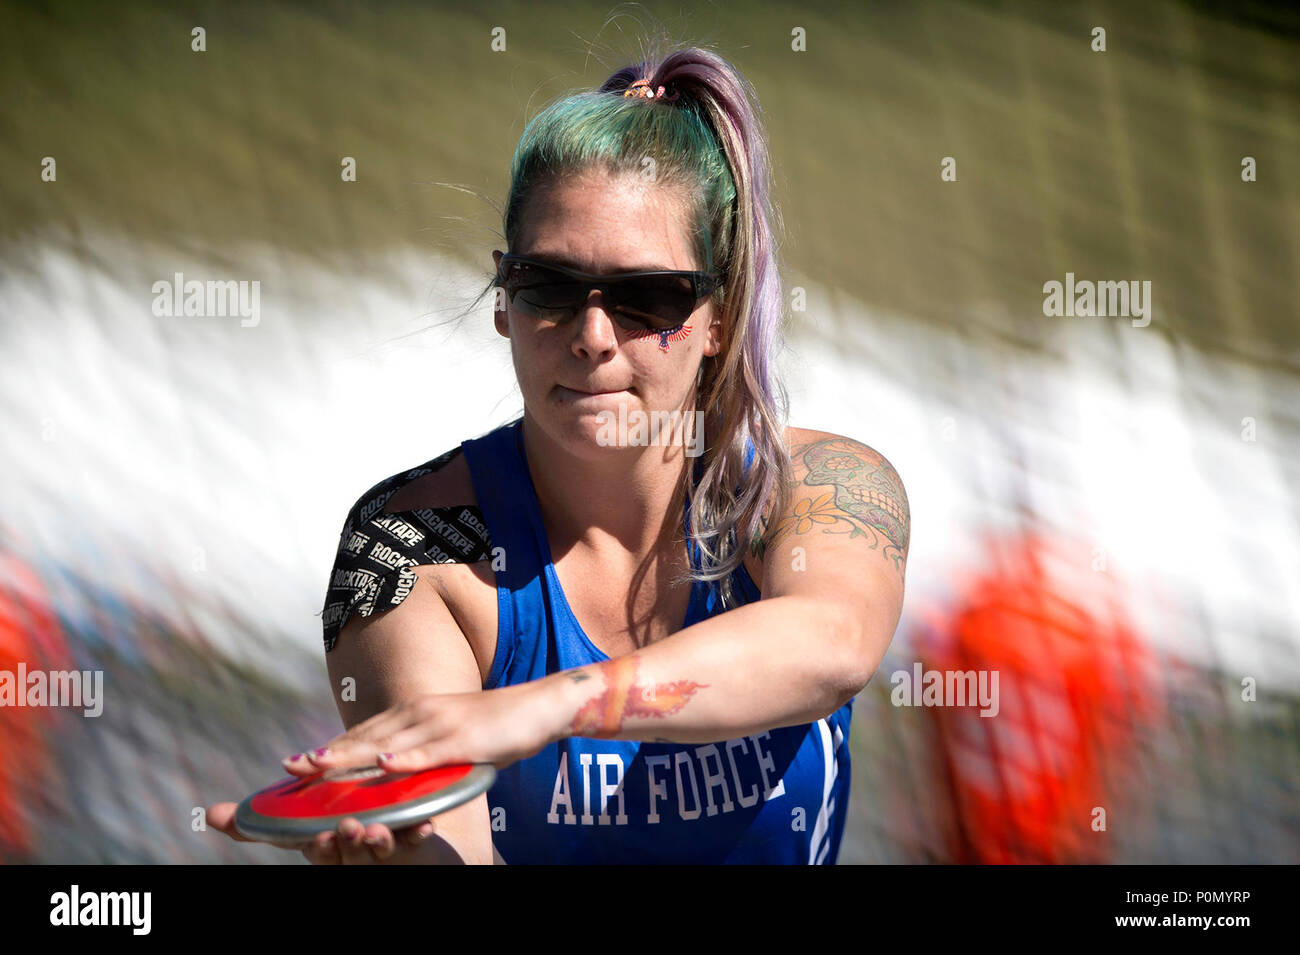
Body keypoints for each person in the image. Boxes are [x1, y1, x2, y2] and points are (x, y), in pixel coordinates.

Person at [208, 45, 908, 864]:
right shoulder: (415, 550)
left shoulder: (813, 489)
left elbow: (833, 645)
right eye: (550, 287)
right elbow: (455, 848)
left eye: (649, 297)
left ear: (719, 317)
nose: (593, 338)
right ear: (503, 297)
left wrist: (547, 707)